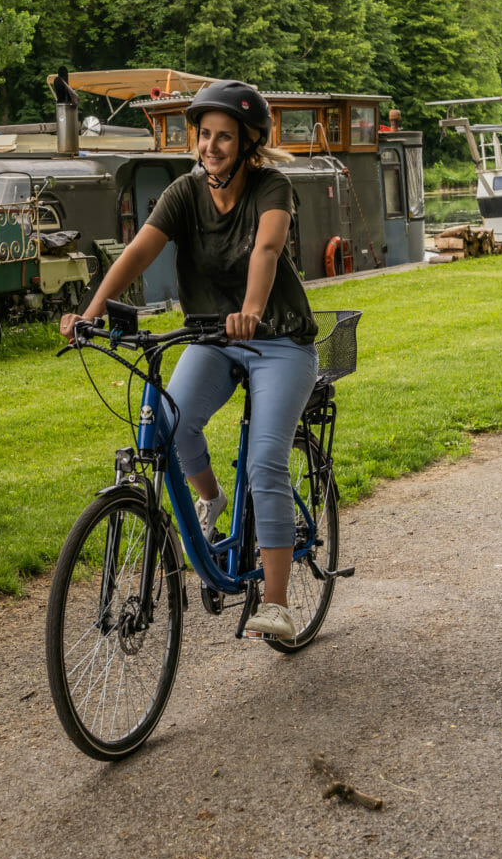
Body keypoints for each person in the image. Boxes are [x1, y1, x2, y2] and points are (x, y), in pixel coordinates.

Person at [60, 79, 319, 644]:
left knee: (266, 461)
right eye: (205, 135)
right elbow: (140, 249)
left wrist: (251, 309)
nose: (211, 146)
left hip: (278, 339)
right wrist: (91, 311)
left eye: (225, 137)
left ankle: (274, 602)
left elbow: (267, 250)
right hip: (211, 335)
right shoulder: (184, 192)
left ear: (248, 143)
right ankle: (210, 498)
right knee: (172, 425)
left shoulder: (271, 187)